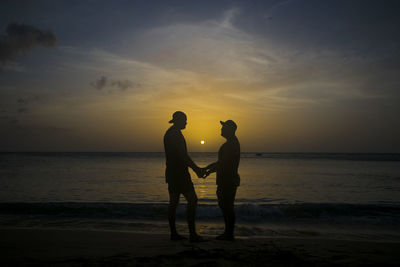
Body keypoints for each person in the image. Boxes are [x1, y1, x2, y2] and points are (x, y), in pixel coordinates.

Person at [163, 111, 205, 242]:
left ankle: (174, 234)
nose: (186, 122)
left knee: (173, 202)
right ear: (178, 120)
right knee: (192, 200)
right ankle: (192, 234)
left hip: (172, 172)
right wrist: (197, 169)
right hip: (179, 174)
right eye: (184, 120)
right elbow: (183, 156)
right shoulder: (175, 134)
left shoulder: (170, 133)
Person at [204, 120, 240, 241]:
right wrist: (208, 168)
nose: (221, 129)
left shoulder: (231, 145)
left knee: (227, 206)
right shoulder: (231, 143)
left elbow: (223, 164)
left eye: (224, 127)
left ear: (230, 129)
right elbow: (221, 163)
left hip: (228, 180)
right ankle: (228, 232)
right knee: (225, 205)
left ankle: (229, 234)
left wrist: (208, 170)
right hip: (227, 179)